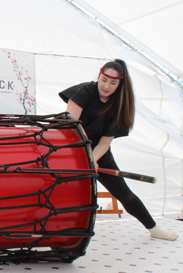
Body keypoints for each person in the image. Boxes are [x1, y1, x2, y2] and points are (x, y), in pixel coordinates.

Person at [59, 59, 178, 241]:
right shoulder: (84, 91)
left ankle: (153, 229)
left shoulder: (119, 105)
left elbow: (105, 143)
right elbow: (69, 129)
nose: (107, 86)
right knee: (60, 191)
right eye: (104, 79)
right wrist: (83, 158)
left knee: (124, 194)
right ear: (99, 76)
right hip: (71, 148)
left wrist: (92, 159)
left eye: (113, 83)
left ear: (120, 84)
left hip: (98, 151)